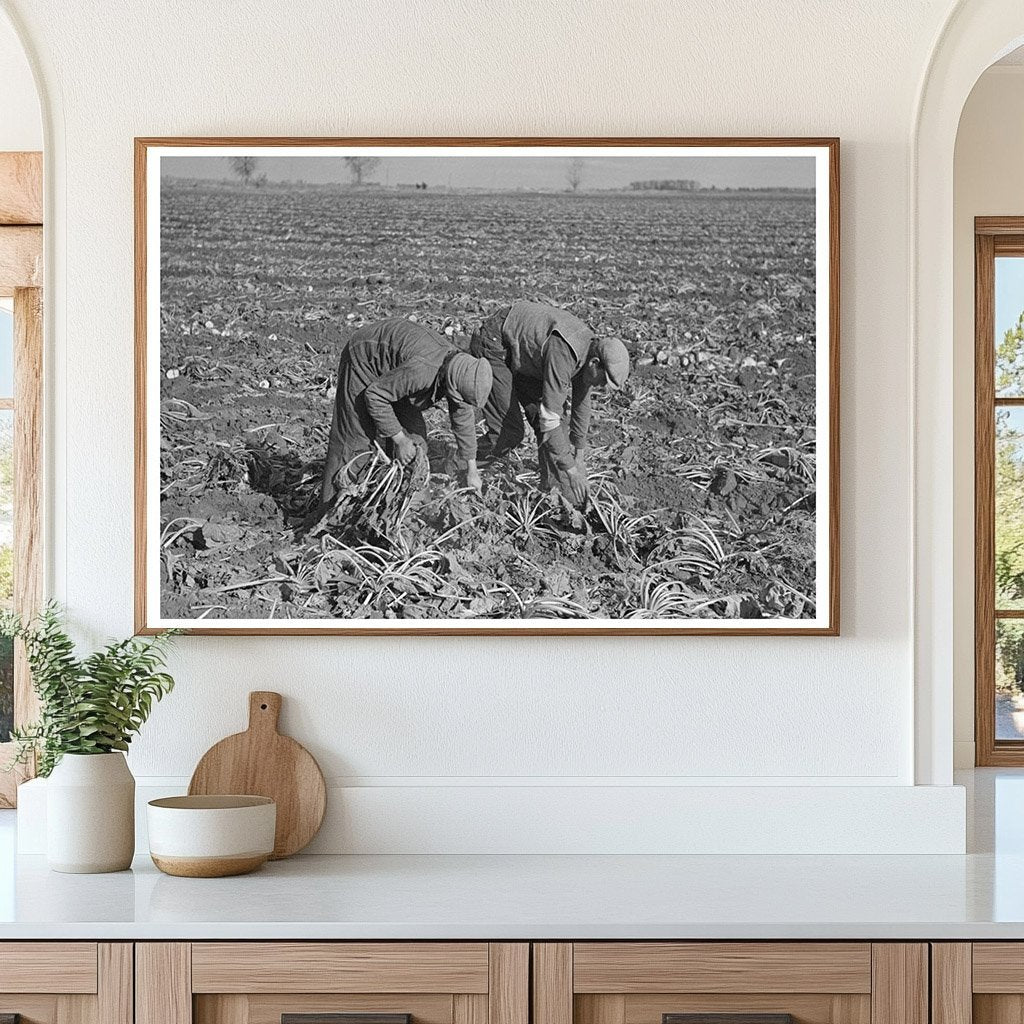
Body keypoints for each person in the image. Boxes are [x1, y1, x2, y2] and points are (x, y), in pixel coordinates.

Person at [469, 300, 630, 504]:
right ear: (595, 364)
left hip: (525, 356)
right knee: (508, 431)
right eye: (603, 380)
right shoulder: (565, 352)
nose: (601, 387)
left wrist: (579, 457)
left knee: (556, 431)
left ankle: (555, 497)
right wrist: (571, 471)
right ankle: (458, 468)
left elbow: (581, 404)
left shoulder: (589, 353)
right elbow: (549, 418)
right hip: (496, 343)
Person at [321, 317, 493, 503]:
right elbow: (375, 395)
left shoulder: (460, 369)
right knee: (354, 443)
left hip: (397, 370)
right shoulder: (422, 371)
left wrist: (472, 470)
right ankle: (330, 513)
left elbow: (463, 420)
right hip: (366, 359)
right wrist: (400, 439)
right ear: (452, 386)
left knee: (417, 443)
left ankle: (409, 506)